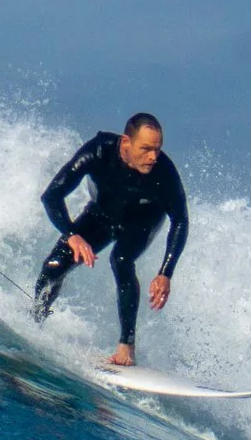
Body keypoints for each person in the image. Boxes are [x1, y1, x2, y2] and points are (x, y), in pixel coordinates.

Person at [31, 113, 189, 367]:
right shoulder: (98, 152)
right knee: (53, 267)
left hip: (143, 221)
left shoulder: (165, 173)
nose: (153, 157)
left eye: (157, 149)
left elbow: (180, 221)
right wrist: (73, 235)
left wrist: (165, 273)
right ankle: (36, 322)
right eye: (146, 149)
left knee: (122, 260)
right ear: (126, 142)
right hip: (101, 215)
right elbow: (52, 195)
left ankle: (126, 347)